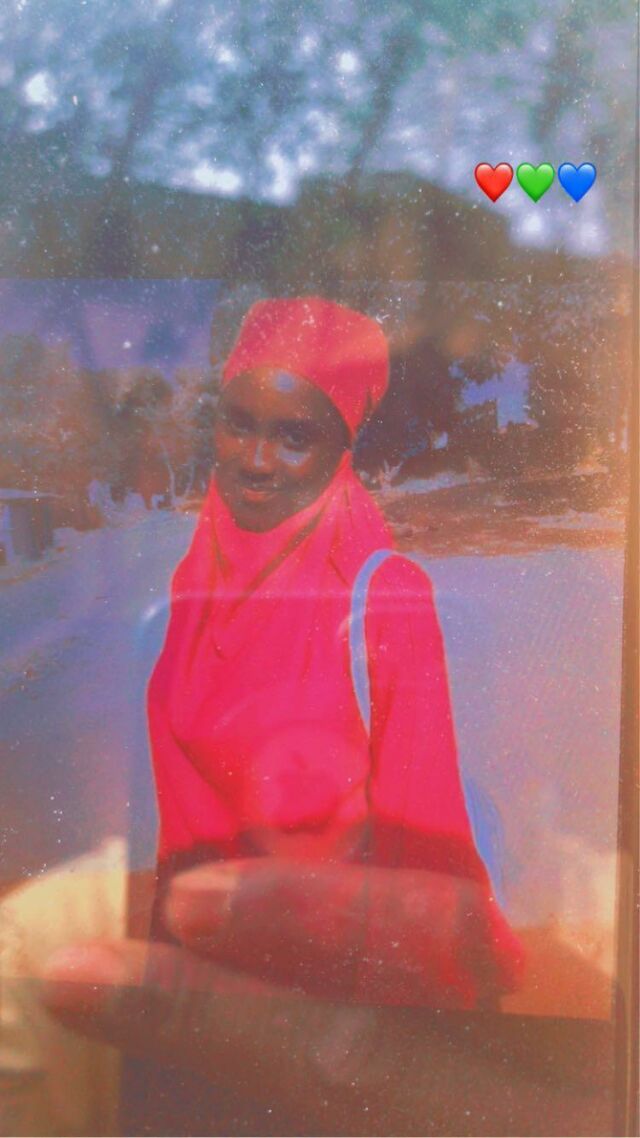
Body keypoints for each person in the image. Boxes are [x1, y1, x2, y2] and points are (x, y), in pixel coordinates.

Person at [52, 297, 524, 1135]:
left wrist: (387, 1055)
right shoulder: (197, 577)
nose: (256, 459)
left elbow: (425, 837)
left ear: (344, 447)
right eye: (238, 423)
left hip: (317, 1033)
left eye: (295, 434)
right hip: (192, 1004)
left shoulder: (383, 597)